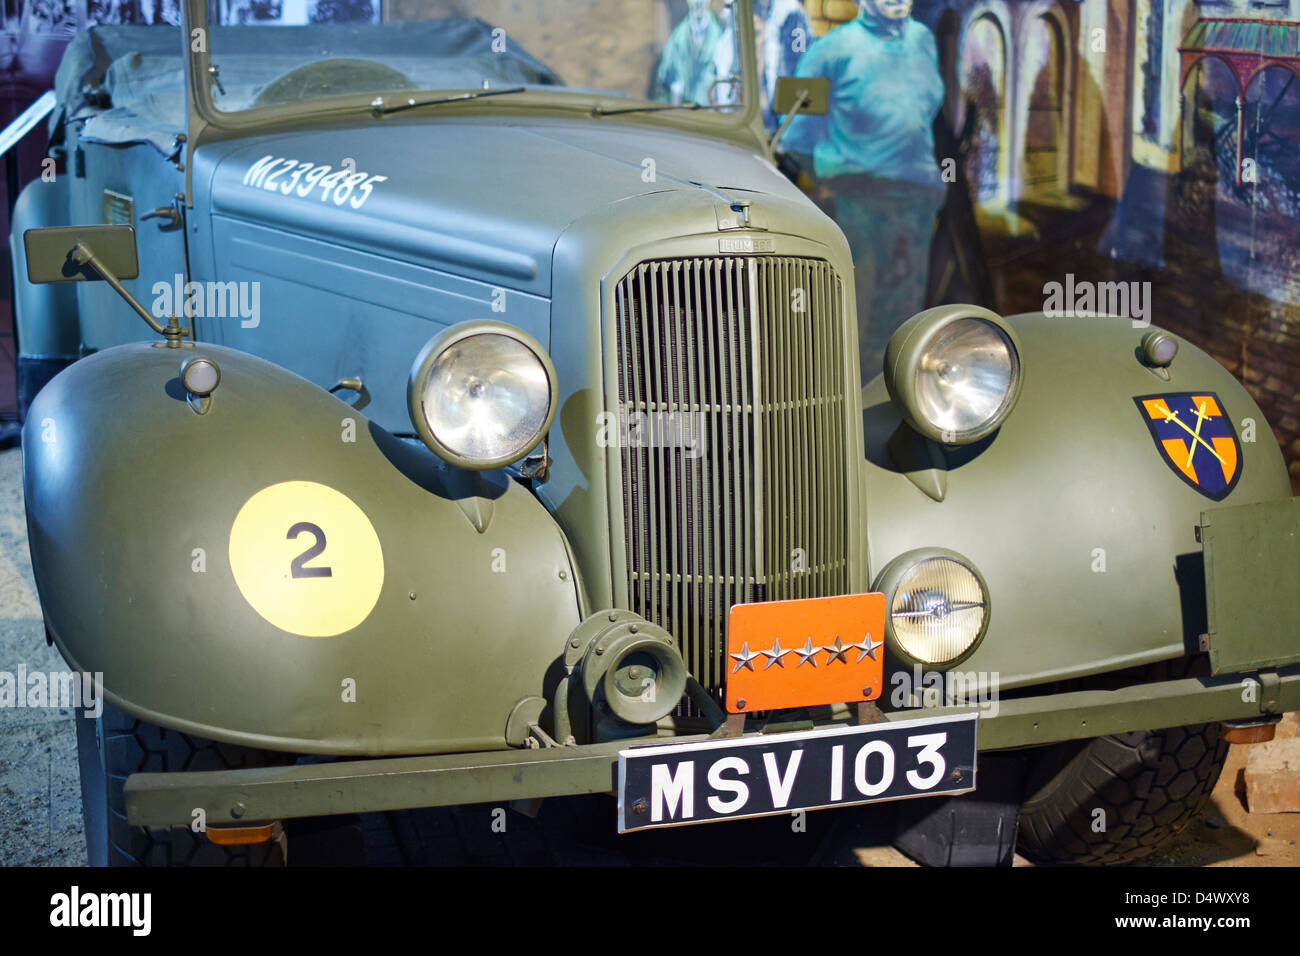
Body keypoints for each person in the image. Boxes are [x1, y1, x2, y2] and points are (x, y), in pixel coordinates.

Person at [781, 0, 946, 382]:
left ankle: (897, 404)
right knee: (852, 322)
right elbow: (794, 137)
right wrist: (838, 187)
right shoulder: (828, 51)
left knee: (905, 321)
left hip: (916, 202)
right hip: (857, 206)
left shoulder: (923, 40)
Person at [651, 0, 726, 106]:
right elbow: (665, 83)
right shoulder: (676, 40)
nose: (698, 2)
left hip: (715, 116)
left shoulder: (722, 36)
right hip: (685, 117)